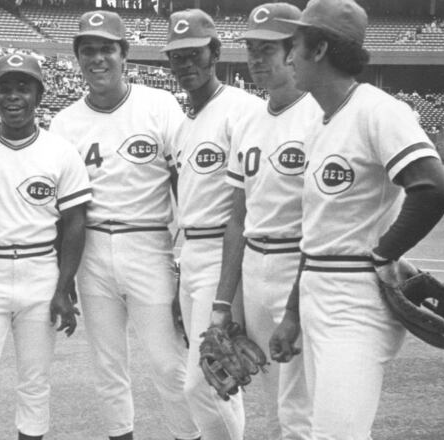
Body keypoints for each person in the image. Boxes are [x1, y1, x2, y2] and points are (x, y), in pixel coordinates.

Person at [269, 0, 444, 438]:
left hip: (356, 299)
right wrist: (293, 313)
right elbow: (314, 234)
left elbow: (433, 187)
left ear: (319, 49)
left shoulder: (378, 110)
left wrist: (385, 251)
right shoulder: (319, 123)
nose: (288, 56)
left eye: (294, 44)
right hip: (318, 287)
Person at [50, 11, 199, 440]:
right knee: (108, 366)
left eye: (106, 49)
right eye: (88, 50)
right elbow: (64, 211)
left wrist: (185, 257)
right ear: (78, 58)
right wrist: (66, 274)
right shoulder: (64, 122)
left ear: (124, 54)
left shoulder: (159, 104)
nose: (97, 58)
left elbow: (183, 183)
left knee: (168, 363)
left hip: (148, 242)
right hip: (92, 250)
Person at [0, 52, 91, 440]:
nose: (13, 97)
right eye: (4, 88)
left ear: (39, 95)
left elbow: (75, 222)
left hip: (40, 269)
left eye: (23, 88)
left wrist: (63, 287)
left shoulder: (60, 150)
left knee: (35, 383)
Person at [212, 4, 318, 439]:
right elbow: (238, 217)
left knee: (299, 405)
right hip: (255, 267)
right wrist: (224, 300)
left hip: (300, 264)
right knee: (274, 401)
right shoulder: (249, 121)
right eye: (252, 49)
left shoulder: (320, 115)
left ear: (295, 50)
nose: (256, 59)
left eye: (267, 49)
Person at [162, 8, 263, 440]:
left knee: (200, 384)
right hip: (192, 254)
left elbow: (251, 203)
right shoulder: (184, 123)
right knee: (222, 381)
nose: (185, 64)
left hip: (225, 254)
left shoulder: (243, 109)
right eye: (176, 56)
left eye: (194, 53)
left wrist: (226, 292)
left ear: (215, 52)